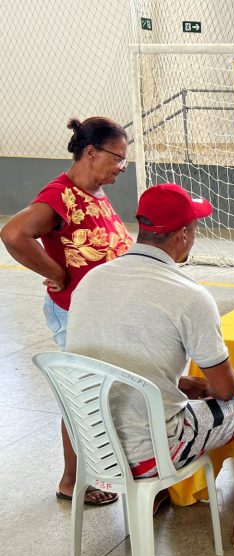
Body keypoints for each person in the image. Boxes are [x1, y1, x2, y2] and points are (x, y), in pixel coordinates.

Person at [66, 183, 234, 550]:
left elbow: (112, 358)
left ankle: (157, 496)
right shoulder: (189, 295)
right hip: (151, 452)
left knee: (185, 394)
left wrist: (174, 383)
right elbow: (226, 390)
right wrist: (221, 382)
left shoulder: (91, 280)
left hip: (93, 447)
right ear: (184, 235)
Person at [1, 116, 134, 507]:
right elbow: (14, 233)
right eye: (118, 158)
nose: (122, 167)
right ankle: (73, 481)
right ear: (90, 152)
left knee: (97, 394)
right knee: (83, 396)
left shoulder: (94, 191)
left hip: (99, 313)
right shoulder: (60, 194)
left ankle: (97, 470)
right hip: (75, 313)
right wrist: (56, 272)